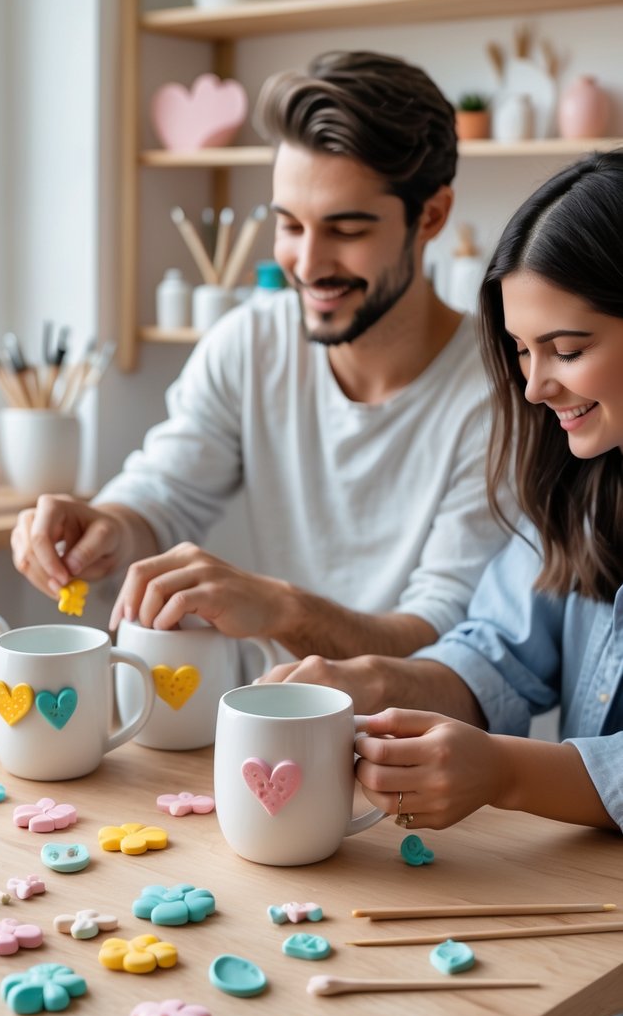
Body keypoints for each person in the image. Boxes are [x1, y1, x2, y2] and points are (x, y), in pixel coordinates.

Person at [11, 50, 508, 661]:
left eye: (346, 230)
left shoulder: (500, 394)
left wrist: (280, 608)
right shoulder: (250, 343)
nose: (308, 263)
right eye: (290, 225)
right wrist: (108, 527)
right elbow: (163, 492)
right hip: (263, 732)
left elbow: (444, 637)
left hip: (411, 747)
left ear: (430, 216)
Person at [262, 150, 623, 853]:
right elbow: (500, 652)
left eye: (567, 349)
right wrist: (368, 682)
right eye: (521, 350)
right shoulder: (583, 486)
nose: (534, 387)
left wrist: (506, 773)